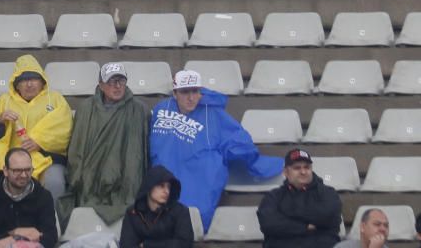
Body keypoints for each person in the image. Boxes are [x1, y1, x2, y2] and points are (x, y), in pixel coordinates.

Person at [149, 70, 282, 230]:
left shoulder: (213, 114)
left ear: (201, 93)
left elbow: (236, 140)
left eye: (195, 91)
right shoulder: (161, 110)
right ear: (175, 93)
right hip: (163, 181)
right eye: (185, 92)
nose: (191, 97)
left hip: (197, 182)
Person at [0, 54, 73, 200]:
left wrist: (39, 141)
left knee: (55, 182)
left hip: (48, 161)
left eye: (34, 79)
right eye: (24, 80)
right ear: (16, 84)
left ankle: (52, 221)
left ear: (42, 81)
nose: (29, 84)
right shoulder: (4, 102)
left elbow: (64, 128)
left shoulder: (55, 99)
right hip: (10, 163)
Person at [65, 63, 148, 224]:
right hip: (92, 176)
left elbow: (137, 152)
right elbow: (78, 147)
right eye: (111, 82)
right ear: (101, 85)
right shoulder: (86, 109)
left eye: (121, 81)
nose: (117, 86)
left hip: (125, 177)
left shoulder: (138, 110)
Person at [256, 148, 342, 248]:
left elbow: (329, 217)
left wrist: (287, 216)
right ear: (286, 172)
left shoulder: (328, 193)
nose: (303, 172)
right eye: (297, 168)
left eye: (307, 167)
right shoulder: (273, 196)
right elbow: (269, 224)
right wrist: (306, 226)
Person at [0, 148, 59, 248]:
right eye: (17, 170)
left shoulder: (43, 196)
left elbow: (50, 236)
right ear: (6, 171)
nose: (24, 175)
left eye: (28, 170)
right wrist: (16, 233)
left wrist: (22, 243)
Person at [119, 165, 194, 248]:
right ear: (149, 186)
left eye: (168, 187)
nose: (166, 191)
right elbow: (126, 245)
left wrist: (147, 245)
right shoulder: (133, 213)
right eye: (161, 186)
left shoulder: (181, 212)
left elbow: (184, 244)